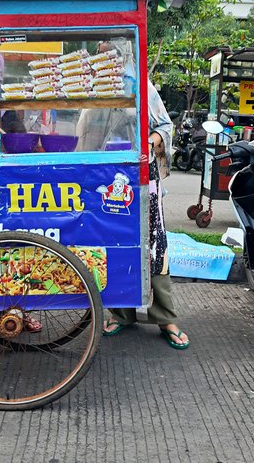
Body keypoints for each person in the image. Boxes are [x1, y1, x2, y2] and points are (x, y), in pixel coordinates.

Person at [102, 79, 189, 350]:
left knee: (155, 244)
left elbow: (164, 125)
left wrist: (148, 143)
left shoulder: (139, 84)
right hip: (108, 173)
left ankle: (165, 317)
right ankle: (121, 313)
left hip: (143, 175)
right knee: (116, 243)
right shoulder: (95, 83)